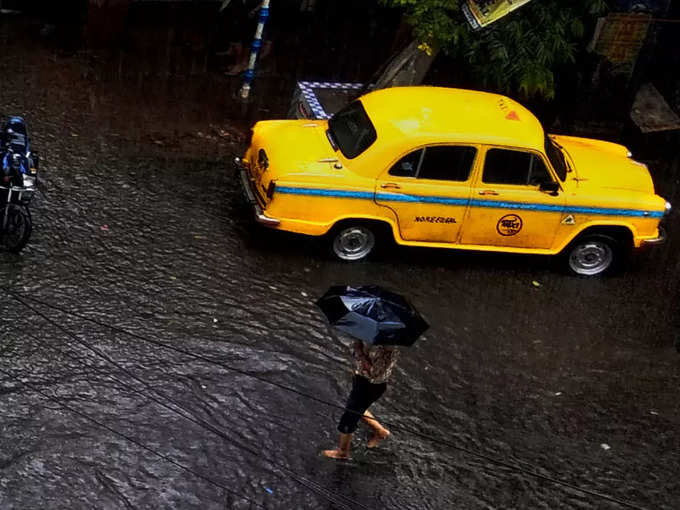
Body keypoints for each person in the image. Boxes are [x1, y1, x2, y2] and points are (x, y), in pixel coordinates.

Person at [322, 339, 399, 460]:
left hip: (371, 386)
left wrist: (359, 352)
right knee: (356, 408)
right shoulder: (371, 337)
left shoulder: (387, 350)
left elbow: (374, 372)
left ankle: (342, 453)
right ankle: (380, 432)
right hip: (362, 380)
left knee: (348, 418)